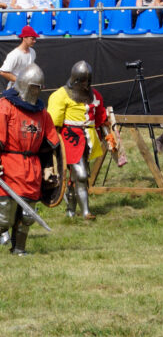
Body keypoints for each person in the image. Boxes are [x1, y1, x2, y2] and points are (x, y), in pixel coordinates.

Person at [0, 64, 59, 255]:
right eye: (34, 86)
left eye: (39, 87)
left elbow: (51, 144)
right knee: (4, 216)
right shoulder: (5, 106)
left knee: (27, 215)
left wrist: (50, 169)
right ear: (24, 85)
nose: (36, 91)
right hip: (9, 165)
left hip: (31, 169)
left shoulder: (42, 113)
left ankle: (19, 249)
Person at [47, 61, 116, 220]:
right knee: (82, 175)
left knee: (76, 177)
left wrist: (108, 132)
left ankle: (70, 211)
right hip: (70, 139)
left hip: (89, 139)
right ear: (76, 79)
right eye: (82, 81)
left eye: (88, 81)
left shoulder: (95, 95)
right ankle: (85, 212)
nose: (85, 85)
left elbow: (100, 118)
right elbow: (54, 122)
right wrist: (54, 147)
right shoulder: (61, 95)